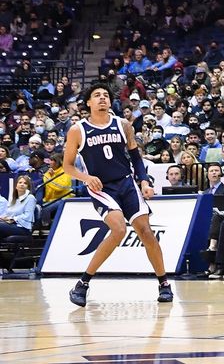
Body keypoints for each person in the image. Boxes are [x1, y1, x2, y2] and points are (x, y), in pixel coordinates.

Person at [62, 82, 174, 306]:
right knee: (119, 229)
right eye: (97, 95)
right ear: (88, 102)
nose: (102, 98)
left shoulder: (122, 124)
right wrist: (86, 178)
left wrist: (143, 181)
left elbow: (135, 157)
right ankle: (83, 283)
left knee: (145, 232)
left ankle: (163, 283)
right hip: (101, 188)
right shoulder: (78, 130)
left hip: (126, 182)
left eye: (105, 95)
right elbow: (67, 167)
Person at [0, 174, 36, 242]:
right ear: (16, 186)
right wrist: (4, 218)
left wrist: (13, 219)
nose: (22, 184)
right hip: (11, 224)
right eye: (20, 182)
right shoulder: (14, 199)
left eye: (25, 183)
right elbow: (8, 214)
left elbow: (28, 216)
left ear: (28, 187)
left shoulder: (30, 198)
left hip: (23, 228)